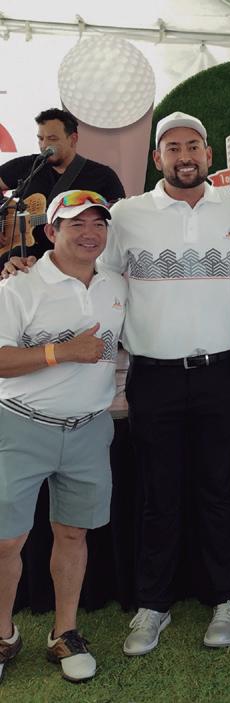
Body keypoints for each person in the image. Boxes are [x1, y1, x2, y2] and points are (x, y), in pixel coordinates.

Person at [98, 112, 230, 655]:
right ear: (157, 158)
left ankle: (227, 598)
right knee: (158, 494)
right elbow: (100, 275)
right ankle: (153, 605)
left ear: (209, 155)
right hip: (153, 377)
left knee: (219, 490)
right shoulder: (126, 215)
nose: (184, 156)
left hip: (218, 375)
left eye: (193, 146)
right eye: (173, 148)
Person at [0, 190, 125, 683]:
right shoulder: (18, 286)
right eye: (77, 224)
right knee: (6, 541)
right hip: (20, 425)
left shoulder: (115, 284)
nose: (90, 233)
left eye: (98, 224)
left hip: (89, 428)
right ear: (51, 231)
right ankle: (4, 636)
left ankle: (65, 633)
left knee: (73, 533)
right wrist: (62, 352)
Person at [0, 108, 125, 263]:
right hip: (21, 257)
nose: (44, 145)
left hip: (72, 260)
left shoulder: (103, 176)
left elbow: (119, 219)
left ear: (73, 139)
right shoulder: (28, 165)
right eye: (40, 139)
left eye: (52, 139)